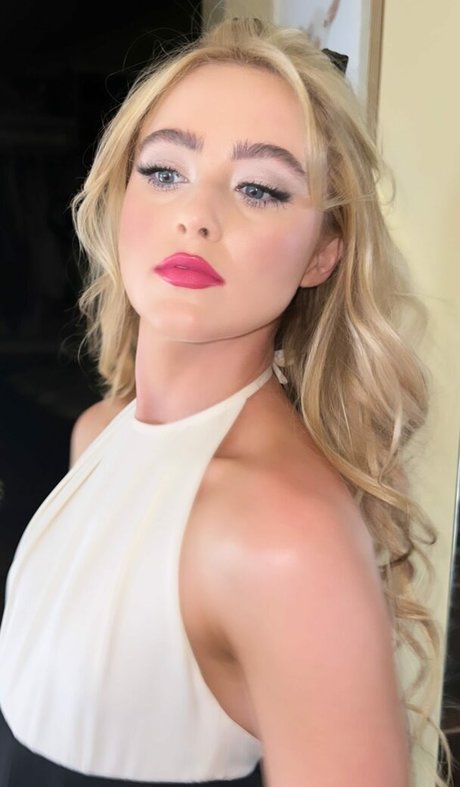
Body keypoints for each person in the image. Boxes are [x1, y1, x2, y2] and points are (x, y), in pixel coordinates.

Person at [0, 15, 453, 787]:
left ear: (322, 254)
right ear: (119, 194)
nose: (197, 214)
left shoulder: (284, 533)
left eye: (259, 188)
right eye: (164, 171)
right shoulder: (98, 433)